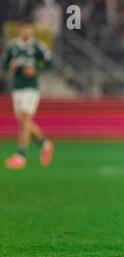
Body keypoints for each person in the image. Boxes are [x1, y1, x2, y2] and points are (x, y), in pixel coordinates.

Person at [2, 19, 54, 170]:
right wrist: (10, 67)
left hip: (31, 88)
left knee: (25, 120)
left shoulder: (38, 46)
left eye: (29, 29)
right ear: (20, 30)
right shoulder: (12, 46)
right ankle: (45, 143)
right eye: (24, 29)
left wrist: (36, 69)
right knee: (24, 123)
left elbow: (49, 63)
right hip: (17, 87)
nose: (27, 31)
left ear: (32, 31)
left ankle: (20, 156)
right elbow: (4, 64)